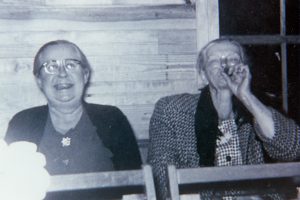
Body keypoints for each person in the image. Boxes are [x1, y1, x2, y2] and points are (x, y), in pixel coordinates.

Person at [147, 38, 300, 199]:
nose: (225, 65)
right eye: (214, 61)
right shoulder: (172, 110)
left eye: (233, 59)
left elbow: (292, 148)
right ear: (203, 75)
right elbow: (161, 181)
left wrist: (246, 96)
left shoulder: (258, 107)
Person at [5, 40, 142, 175]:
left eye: (71, 65)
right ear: (39, 80)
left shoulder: (112, 118)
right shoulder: (22, 123)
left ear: (85, 75)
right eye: (51, 67)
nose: (62, 73)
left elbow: (136, 186)